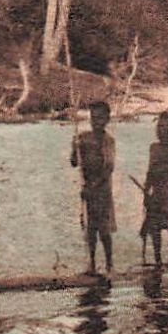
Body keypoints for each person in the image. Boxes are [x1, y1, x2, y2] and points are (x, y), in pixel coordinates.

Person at [70, 101, 116, 274]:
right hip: (87, 189)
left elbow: (108, 168)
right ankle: (92, 264)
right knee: (90, 229)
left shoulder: (108, 141)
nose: (96, 122)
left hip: (102, 190)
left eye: (100, 118)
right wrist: (74, 147)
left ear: (107, 120)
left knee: (103, 229)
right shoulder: (83, 138)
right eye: (93, 118)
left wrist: (93, 188)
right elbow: (74, 162)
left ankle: (110, 264)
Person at [140, 111, 168, 264]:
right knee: (154, 229)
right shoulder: (154, 148)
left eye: (164, 127)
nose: (160, 130)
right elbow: (150, 172)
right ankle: (158, 260)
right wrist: (146, 192)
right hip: (155, 195)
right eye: (159, 126)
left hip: (167, 196)